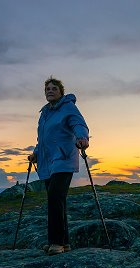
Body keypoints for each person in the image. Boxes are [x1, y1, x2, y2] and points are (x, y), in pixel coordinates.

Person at [28, 76, 89, 255]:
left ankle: (56, 242)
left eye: (54, 88)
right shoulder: (45, 113)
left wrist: (82, 137)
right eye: (47, 89)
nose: (50, 91)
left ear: (61, 92)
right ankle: (64, 242)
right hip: (48, 162)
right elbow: (43, 140)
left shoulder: (68, 107)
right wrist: (36, 153)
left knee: (55, 197)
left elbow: (79, 123)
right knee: (56, 200)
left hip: (63, 158)